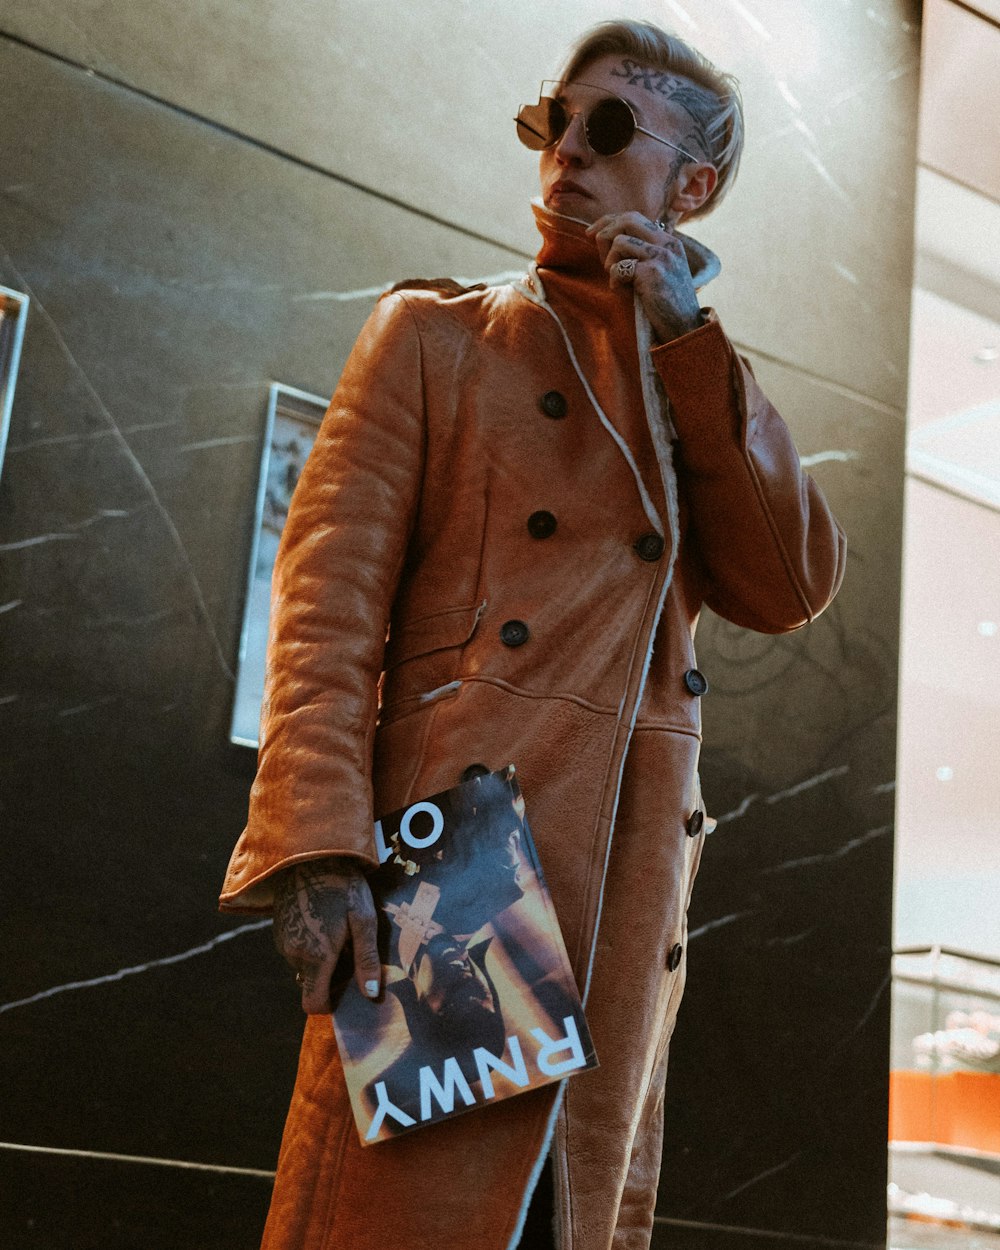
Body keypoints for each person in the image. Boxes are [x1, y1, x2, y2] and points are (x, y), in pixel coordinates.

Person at [220, 18, 846, 1250]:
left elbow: (786, 581)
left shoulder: (692, 378)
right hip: (459, 874)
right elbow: (325, 604)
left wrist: (682, 337)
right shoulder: (435, 337)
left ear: (694, 183)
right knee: (411, 1221)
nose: (568, 146)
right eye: (556, 116)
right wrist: (320, 846)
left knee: (565, 1217)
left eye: (609, 126)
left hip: (622, 878)